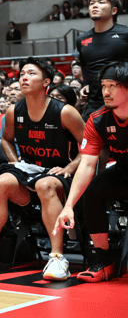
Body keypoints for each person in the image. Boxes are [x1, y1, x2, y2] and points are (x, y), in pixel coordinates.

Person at [0, 58, 84, 281]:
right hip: (28, 171)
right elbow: (7, 141)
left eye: (31, 73)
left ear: (46, 81)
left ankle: (58, 257)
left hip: (57, 175)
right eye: (21, 74)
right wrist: (15, 161)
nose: (24, 77)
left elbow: (88, 148)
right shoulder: (13, 111)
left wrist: (70, 166)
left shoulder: (65, 112)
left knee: (45, 184)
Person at [54, 62, 128, 282]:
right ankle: (104, 261)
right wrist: (68, 206)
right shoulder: (97, 120)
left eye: (113, 85)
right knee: (93, 191)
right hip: (124, 170)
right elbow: (87, 165)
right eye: (104, 85)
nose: (106, 91)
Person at [75, 0, 128, 119]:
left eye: (101, 2)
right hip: (95, 102)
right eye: (91, 3)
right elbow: (84, 66)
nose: (94, 6)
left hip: (124, 100)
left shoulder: (125, 33)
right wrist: (85, 84)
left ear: (114, 10)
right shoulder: (82, 39)